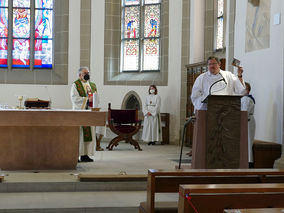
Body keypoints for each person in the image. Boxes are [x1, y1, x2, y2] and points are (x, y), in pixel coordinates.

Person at [70, 67, 104, 162]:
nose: (87, 74)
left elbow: (97, 97)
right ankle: (76, 156)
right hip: (80, 113)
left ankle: (85, 155)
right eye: (85, 73)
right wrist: (87, 100)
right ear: (80, 75)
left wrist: (95, 103)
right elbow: (74, 99)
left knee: (90, 134)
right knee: (80, 134)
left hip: (90, 113)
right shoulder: (75, 85)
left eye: (88, 72)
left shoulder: (92, 85)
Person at [241, 82, 256, 168]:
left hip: (247, 121)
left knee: (247, 143)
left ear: (247, 90)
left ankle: (248, 163)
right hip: (246, 121)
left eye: (244, 88)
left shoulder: (246, 99)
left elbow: (244, 112)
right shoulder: (243, 99)